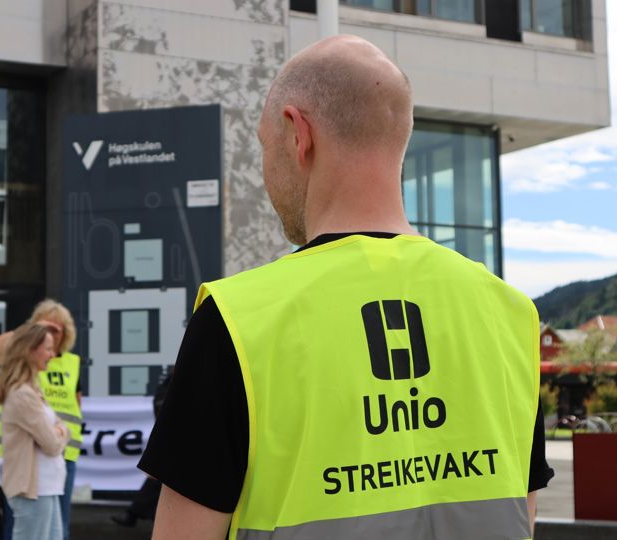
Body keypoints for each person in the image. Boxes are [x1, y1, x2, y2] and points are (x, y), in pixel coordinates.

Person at [139, 35, 553, 540]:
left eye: (265, 147)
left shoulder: (239, 319)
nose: (267, 173)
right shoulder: (509, 314)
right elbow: (521, 513)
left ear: (298, 134)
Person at [0, 300, 84, 540]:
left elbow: (71, 411)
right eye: (45, 337)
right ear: (31, 347)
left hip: (54, 471)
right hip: (33, 480)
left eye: (55, 331)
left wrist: (60, 431)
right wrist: (34, 327)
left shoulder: (69, 363)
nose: (51, 354)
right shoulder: (22, 391)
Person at [111, 367, 174, 528]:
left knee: (158, 479)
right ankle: (136, 514)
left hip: (172, 442)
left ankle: (134, 514)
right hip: (172, 441)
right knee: (159, 479)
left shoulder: (173, 381)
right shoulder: (173, 381)